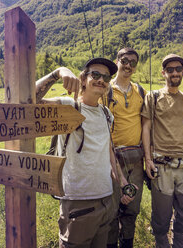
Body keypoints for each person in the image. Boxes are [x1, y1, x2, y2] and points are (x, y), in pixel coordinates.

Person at [35, 57, 134, 248]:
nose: (101, 80)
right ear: (83, 79)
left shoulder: (107, 114)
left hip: (106, 200)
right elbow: (26, 99)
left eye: (106, 77)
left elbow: (108, 151)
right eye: (95, 74)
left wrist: (122, 182)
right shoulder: (68, 107)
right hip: (78, 202)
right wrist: (59, 71)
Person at [141, 54, 183, 248]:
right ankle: (161, 243)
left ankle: (180, 243)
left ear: (182, 72)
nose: (175, 72)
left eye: (178, 69)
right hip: (161, 165)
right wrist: (147, 159)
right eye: (170, 69)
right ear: (163, 72)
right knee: (161, 214)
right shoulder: (153, 96)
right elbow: (146, 128)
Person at [102, 48, 146, 248]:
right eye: (125, 60)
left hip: (136, 158)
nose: (128, 65)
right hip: (111, 157)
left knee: (132, 208)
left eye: (133, 62)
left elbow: (146, 124)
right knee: (111, 211)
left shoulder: (140, 91)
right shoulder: (106, 90)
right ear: (117, 61)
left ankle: (127, 242)